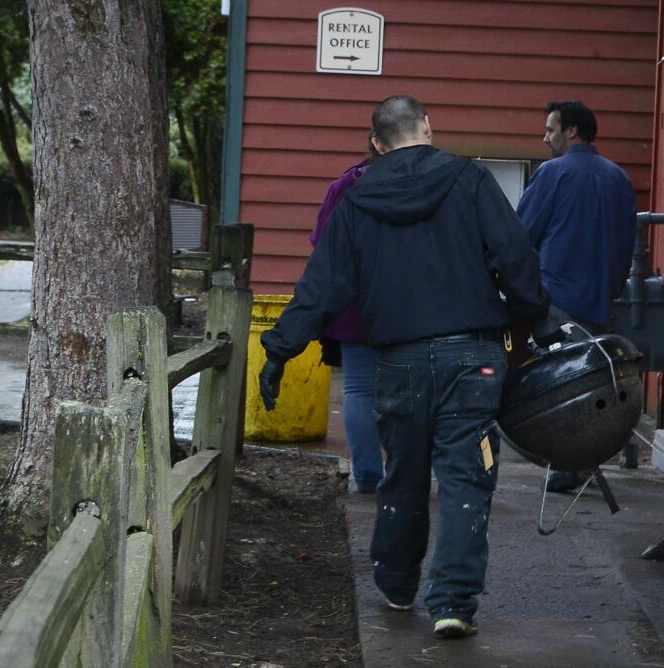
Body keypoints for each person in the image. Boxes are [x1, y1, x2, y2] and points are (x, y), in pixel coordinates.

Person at [258, 96, 565, 640]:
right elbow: (514, 253)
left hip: (396, 358)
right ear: (427, 127)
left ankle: (398, 584)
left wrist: (281, 349)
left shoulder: (355, 199)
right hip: (473, 357)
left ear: (377, 143)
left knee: (403, 471)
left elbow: (324, 284)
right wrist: (537, 322)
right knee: (466, 475)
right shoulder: (469, 181)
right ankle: (453, 603)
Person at [516, 100, 637, 491]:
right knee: (593, 381)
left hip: (558, 296)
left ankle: (568, 466)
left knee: (559, 385)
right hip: (604, 296)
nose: (545, 137)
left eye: (550, 129)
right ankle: (583, 463)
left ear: (572, 131)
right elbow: (628, 241)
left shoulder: (553, 173)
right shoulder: (618, 176)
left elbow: (522, 234)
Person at [311, 136, 382, 494]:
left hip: (354, 306)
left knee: (358, 390)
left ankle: (369, 473)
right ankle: (405, 475)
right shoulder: (428, 183)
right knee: (412, 391)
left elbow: (322, 243)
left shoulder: (347, 186)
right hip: (411, 308)